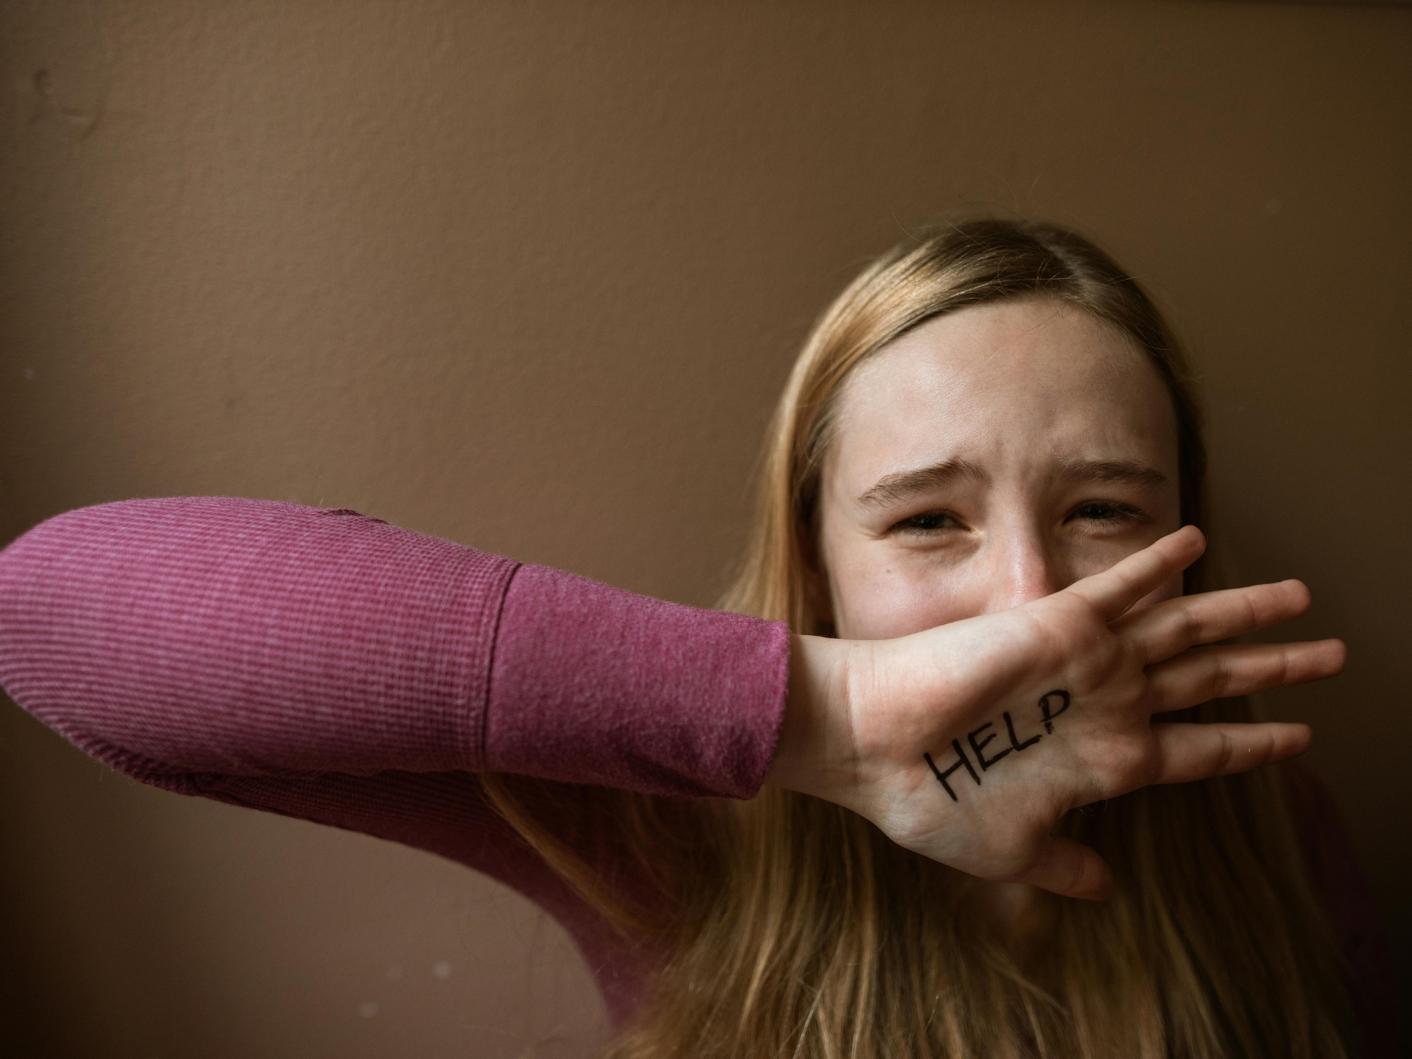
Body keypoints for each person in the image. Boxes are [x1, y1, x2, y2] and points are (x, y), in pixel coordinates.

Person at [0, 216, 1393, 1058]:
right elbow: (52, 613)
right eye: (925, 523)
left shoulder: (1278, 842)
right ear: (816, 560)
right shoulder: (678, 840)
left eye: (1101, 508)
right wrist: (821, 721)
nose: (1025, 595)